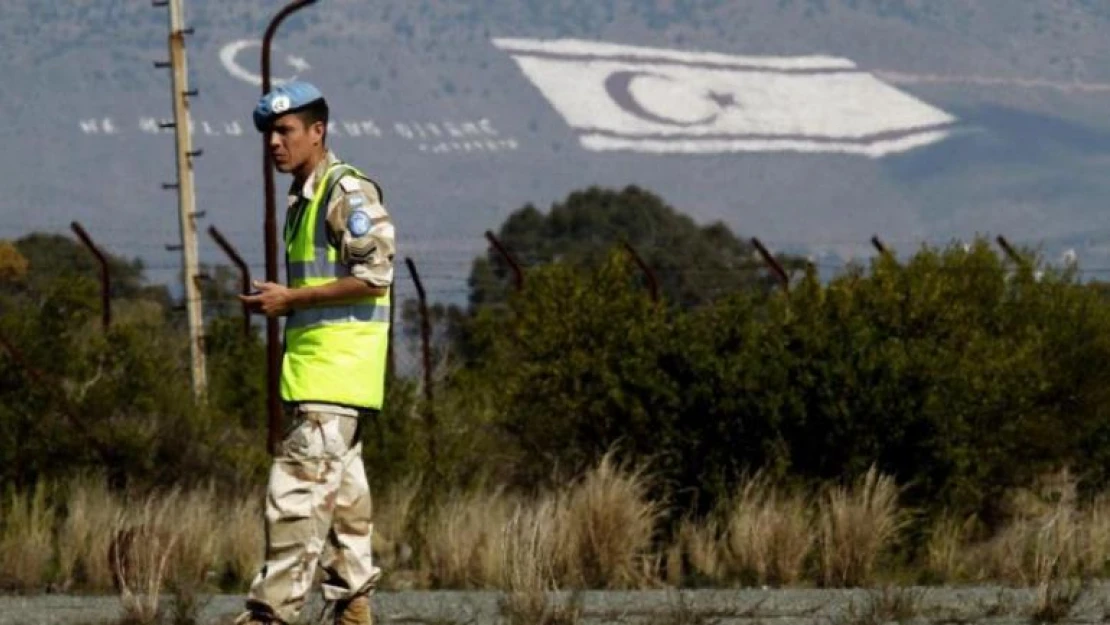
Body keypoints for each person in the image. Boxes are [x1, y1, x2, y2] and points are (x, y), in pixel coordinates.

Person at [236, 80, 394, 625]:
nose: (274, 143)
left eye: (285, 131)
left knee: (295, 509)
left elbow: (375, 274)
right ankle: (353, 612)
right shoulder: (304, 201)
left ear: (317, 132)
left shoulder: (344, 193)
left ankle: (269, 617)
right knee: (348, 528)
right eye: (269, 134)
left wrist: (291, 299)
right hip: (325, 386)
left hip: (331, 385)